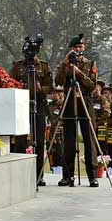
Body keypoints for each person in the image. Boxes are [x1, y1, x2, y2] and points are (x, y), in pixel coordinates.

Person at [54, 34, 99, 187]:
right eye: (75, 47)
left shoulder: (90, 63)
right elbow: (58, 82)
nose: (78, 50)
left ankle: (93, 176)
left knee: (89, 139)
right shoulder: (65, 64)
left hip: (85, 100)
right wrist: (65, 64)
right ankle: (67, 176)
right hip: (69, 100)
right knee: (69, 140)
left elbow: (92, 85)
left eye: (80, 47)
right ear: (70, 49)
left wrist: (78, 73)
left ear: (84, 48)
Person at [10, 55, 53, 186]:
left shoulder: (44, 66)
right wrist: (19, 86)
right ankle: (19, 174)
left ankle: (39, 175)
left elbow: (50, 87)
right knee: (20, 141)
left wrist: (41, 88)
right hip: (21, 104)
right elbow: (9, 83)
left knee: (39, 142)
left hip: (39, 104)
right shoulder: (17, 66)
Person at [48, 86, 66, 176]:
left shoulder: (65, 104)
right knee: (51, 152)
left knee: (60, 152)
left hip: (61, 132)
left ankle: (60, 172)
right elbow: (49, 117)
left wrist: (61, 103)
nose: (57, 94)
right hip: (51, 132)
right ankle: (54, 171)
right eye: (55, 92)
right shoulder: (50, 105)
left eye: (60, 92)